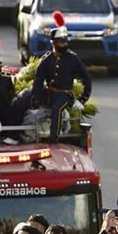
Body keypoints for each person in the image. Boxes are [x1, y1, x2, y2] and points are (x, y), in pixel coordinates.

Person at [25, 11, 91, 143]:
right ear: (53, 43)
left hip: (64, 95)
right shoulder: (47, 59)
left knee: (57, 110)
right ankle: (14, 133)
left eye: (65, 42)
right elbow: (39, 80)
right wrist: (35, 99)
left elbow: (86, 78)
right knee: (23, 100)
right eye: (60, 42)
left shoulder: (73, 59)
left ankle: (53, 139)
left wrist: (82, 99)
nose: (64, 44)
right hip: (49, 92)